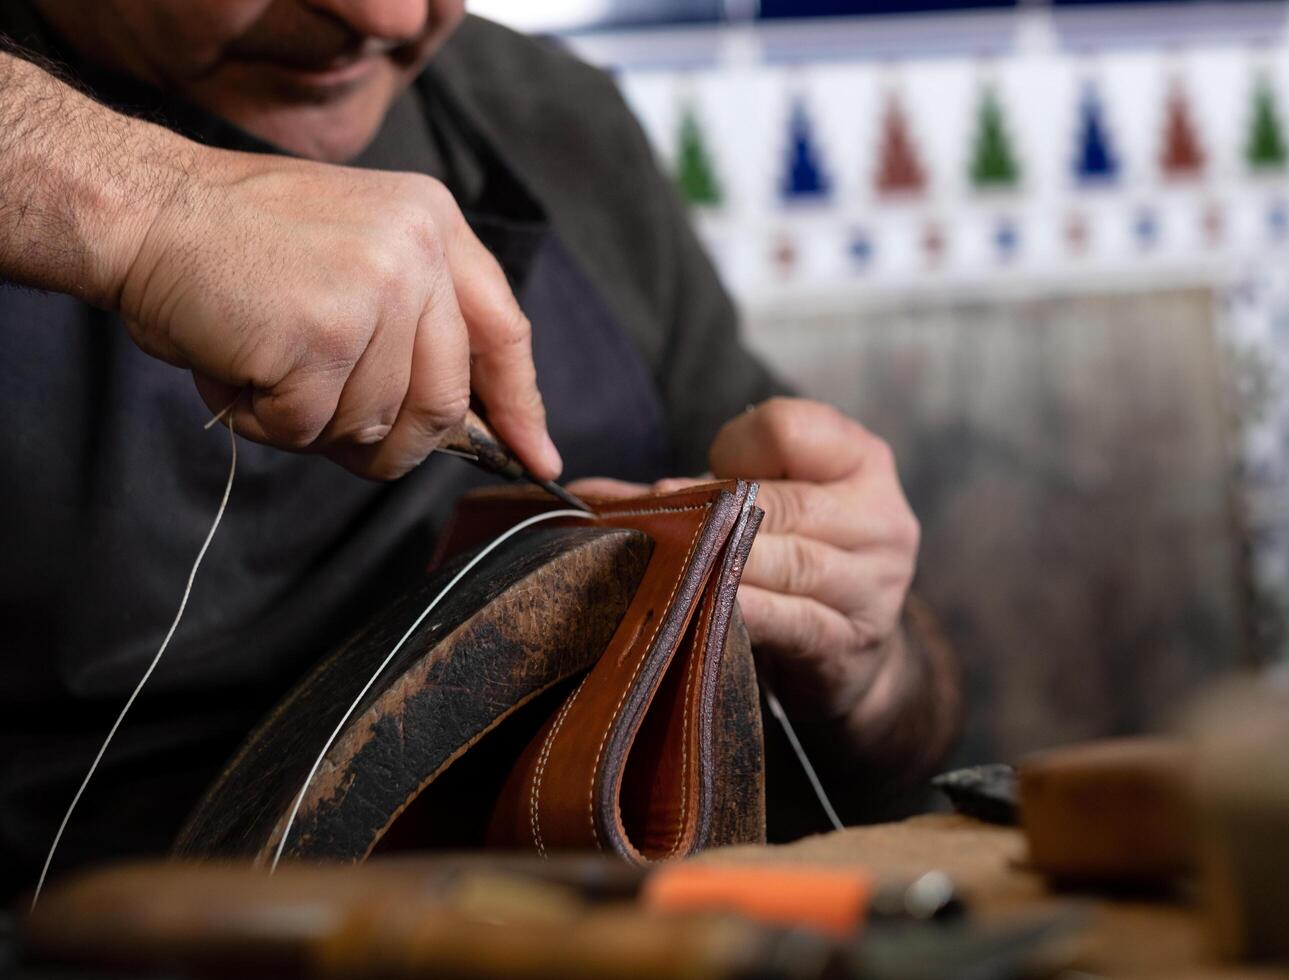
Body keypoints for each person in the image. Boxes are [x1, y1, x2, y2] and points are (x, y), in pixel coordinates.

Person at [0, 0, 961, 899]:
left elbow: (900, 744)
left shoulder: (552, 118)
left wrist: (867, 670)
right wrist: (146, 203)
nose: (387, 18)